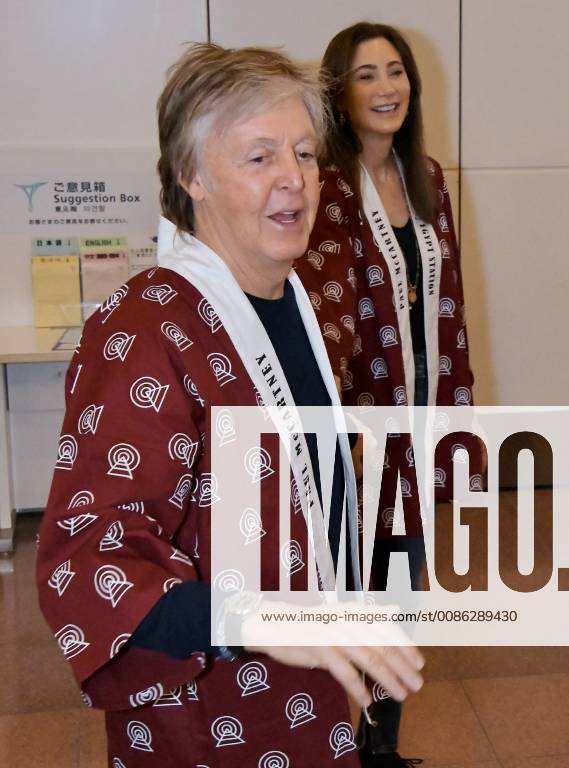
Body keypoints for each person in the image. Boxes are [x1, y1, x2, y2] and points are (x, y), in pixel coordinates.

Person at [36, 43, 425, 767]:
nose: (295, 180)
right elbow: (88, 560)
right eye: (258, 158)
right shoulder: (145, 327)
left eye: (305, 154)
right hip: (207, 716)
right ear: (191, 177)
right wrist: (251, 616)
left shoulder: (296, 305)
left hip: (308, 697)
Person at [296, 22, 480, 768]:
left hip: (414, 424)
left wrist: (453, 425)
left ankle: (380, 749)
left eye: (395, 72)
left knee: (399, 595)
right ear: (338, 94)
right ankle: (329, 742)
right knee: (341, 592)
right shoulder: (320, 185)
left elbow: (450, 307)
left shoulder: (425, 177)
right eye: (366, 74)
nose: (385, 88)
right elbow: (314, 314)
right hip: (352, 433)